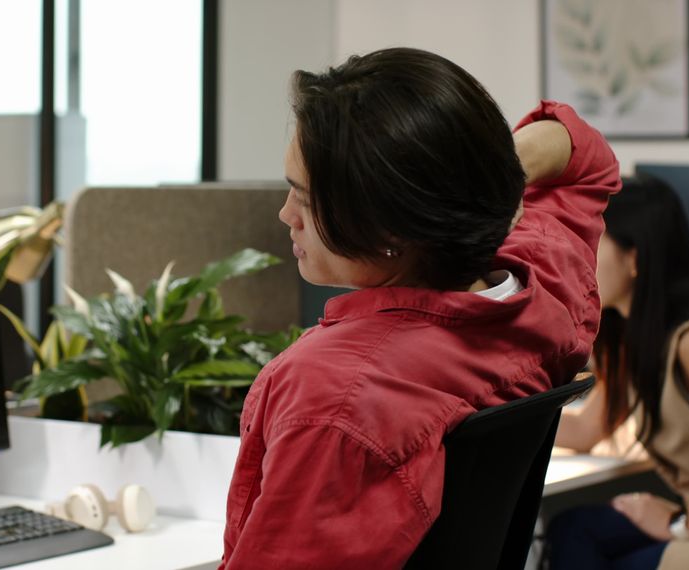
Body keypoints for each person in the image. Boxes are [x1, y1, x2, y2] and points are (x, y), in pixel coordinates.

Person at [218, 47, 620, 569]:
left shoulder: (336, 395)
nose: (284, 214)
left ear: (388, 227)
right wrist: (481, 186)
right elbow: (584, 157)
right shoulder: (548, 288)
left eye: (306, 198)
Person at [548, 175, 689, 569]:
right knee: (571, 528)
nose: (581, 259)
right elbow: (584, 433)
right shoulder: (632, 339)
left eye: (594, 244)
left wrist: (682, 524)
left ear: (635, 258)